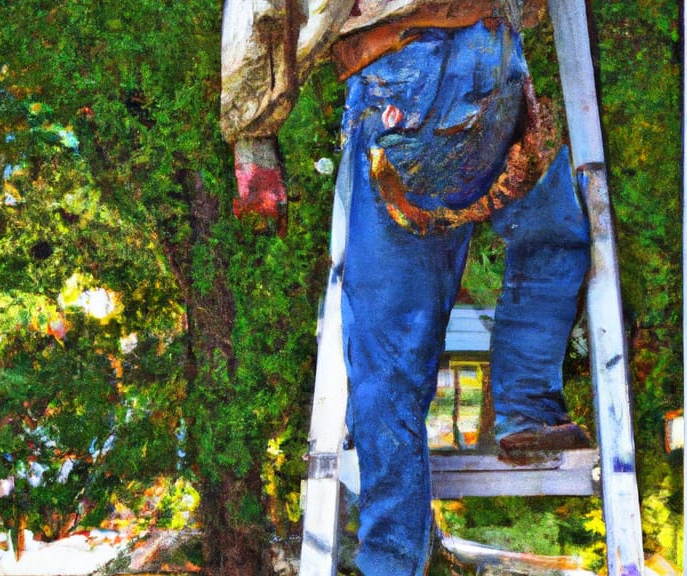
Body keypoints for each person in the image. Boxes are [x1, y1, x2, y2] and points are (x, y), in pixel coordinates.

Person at [222, 1, 591, 573]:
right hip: (496, 64)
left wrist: (253, 133)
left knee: (390, 357)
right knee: (548, 235)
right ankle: (527, 408)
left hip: (410, 83)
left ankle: (390, 563)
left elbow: (264, 8)